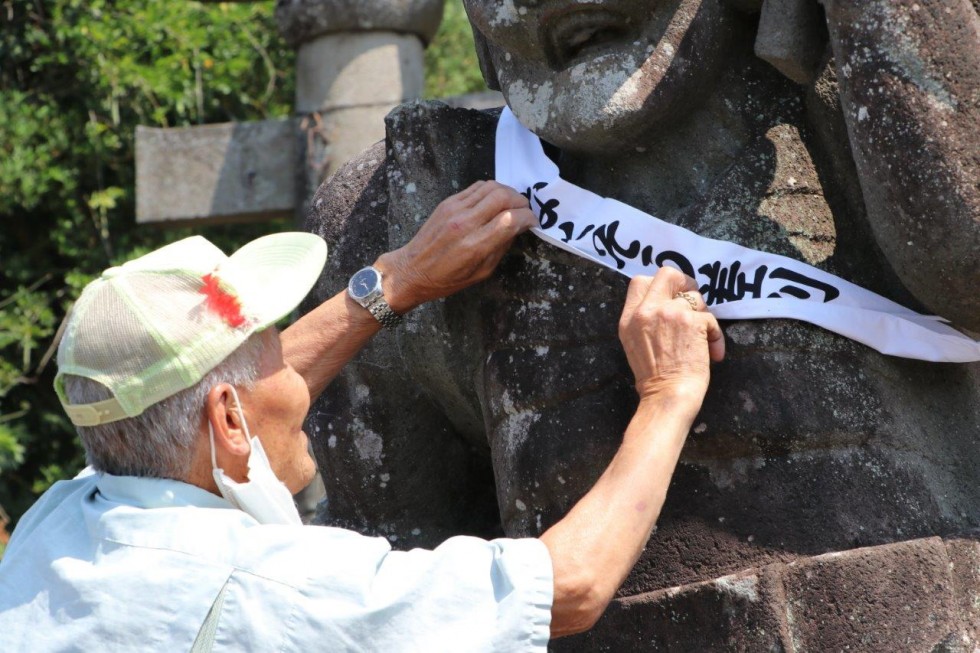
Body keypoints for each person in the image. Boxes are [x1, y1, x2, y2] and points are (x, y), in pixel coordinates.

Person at [0, 180, 724, 651]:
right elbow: (569, 584)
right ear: (226, 420)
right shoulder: (274, 587)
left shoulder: (58, 526)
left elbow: (209, 409)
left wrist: (397, 279)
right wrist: (667, 395)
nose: (298, 380)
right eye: (275, 360)